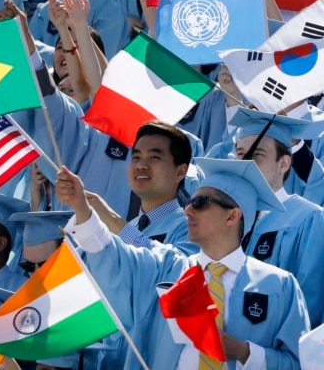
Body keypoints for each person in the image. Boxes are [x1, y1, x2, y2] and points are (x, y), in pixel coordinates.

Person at [57, 158, 310, 370]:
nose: (187, 211)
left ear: (232, 216)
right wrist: (83, 210)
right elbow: (116, 258)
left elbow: (299, 363)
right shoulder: (168, 268)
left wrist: (244, 352)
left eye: (200, 204)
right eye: (189, 203)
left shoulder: (278, 286)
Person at [231, 108, 324, 326]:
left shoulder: (309, 219)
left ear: (284, 164)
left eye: (257, 155)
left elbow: (309, 305)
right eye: (241, 154)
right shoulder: (226, 217)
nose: (245, 163)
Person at [83, 121, 198, 256]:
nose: (141, 165)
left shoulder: (191, 226)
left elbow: (174, 267)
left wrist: (112, 219)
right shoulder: (129, 226)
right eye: (136, 157)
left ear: (180, 172)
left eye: (154, 157)